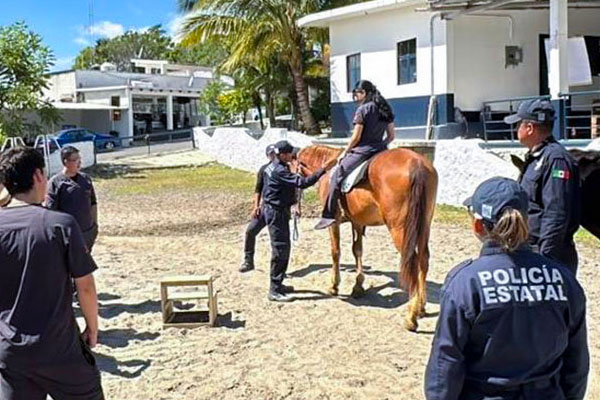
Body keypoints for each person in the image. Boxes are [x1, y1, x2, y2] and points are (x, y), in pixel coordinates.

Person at [425, 177, 588, 400]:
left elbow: (446, 363)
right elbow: (576, 364)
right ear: (526, 221)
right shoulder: (564, 280)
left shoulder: (466, 282)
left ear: (478, 225)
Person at [0, 147, 104, 400]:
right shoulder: (60, 225)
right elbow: (86, 287)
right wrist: (92, 328)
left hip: (11, 352)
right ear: (38, 176)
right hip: (59, 348)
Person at [504, 99, 581, 273]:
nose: (516, 129)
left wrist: (545, 259)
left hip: (548, 255)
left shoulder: (556, 160)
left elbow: (556, 213)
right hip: (531, 250)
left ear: (529, 128)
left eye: (518, 124)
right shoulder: (538, 157)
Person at [315, 80, 396, 230]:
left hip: (363, 151)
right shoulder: (385, 108)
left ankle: (329, 215)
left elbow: (356, 137)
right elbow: (391, 136)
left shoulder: (363, 110)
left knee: (335, 174)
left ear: (363, 93)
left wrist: (344, 153)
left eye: (355, 94)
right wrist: (380, 145)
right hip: (381, 149)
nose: (354, 98)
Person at [262, 140, 335, 302]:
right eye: (290, 153)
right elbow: (302, 183)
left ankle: (278, 283)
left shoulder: (274, 166)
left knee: (283, 248)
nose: (293, 156)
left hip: (277, 210)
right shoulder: (280, 171)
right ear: (282, 155)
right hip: (276, 212)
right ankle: (274, 290)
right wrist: (323, 169)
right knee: (280, 250)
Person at [46, 145, 99, 251]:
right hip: (68, 234)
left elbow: (93, 203)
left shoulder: (86, 179)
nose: (79, 163)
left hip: (87, 232)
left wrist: (94, 226)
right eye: (75, 160)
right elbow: (51, 211)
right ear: (66, 162)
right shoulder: (56, 182)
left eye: (80, 159)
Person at [239, 144, 277, 273]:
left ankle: (277, 269)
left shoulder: (283, 169)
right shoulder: (264, 170)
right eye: (271, 154)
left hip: (276, 210)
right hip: (264, 207)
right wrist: (256, 206)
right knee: (250, 231)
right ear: (267, 155)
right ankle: (248, 260)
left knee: (275, 240)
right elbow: (258, 189)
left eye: (274, 153)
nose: (273, 156)